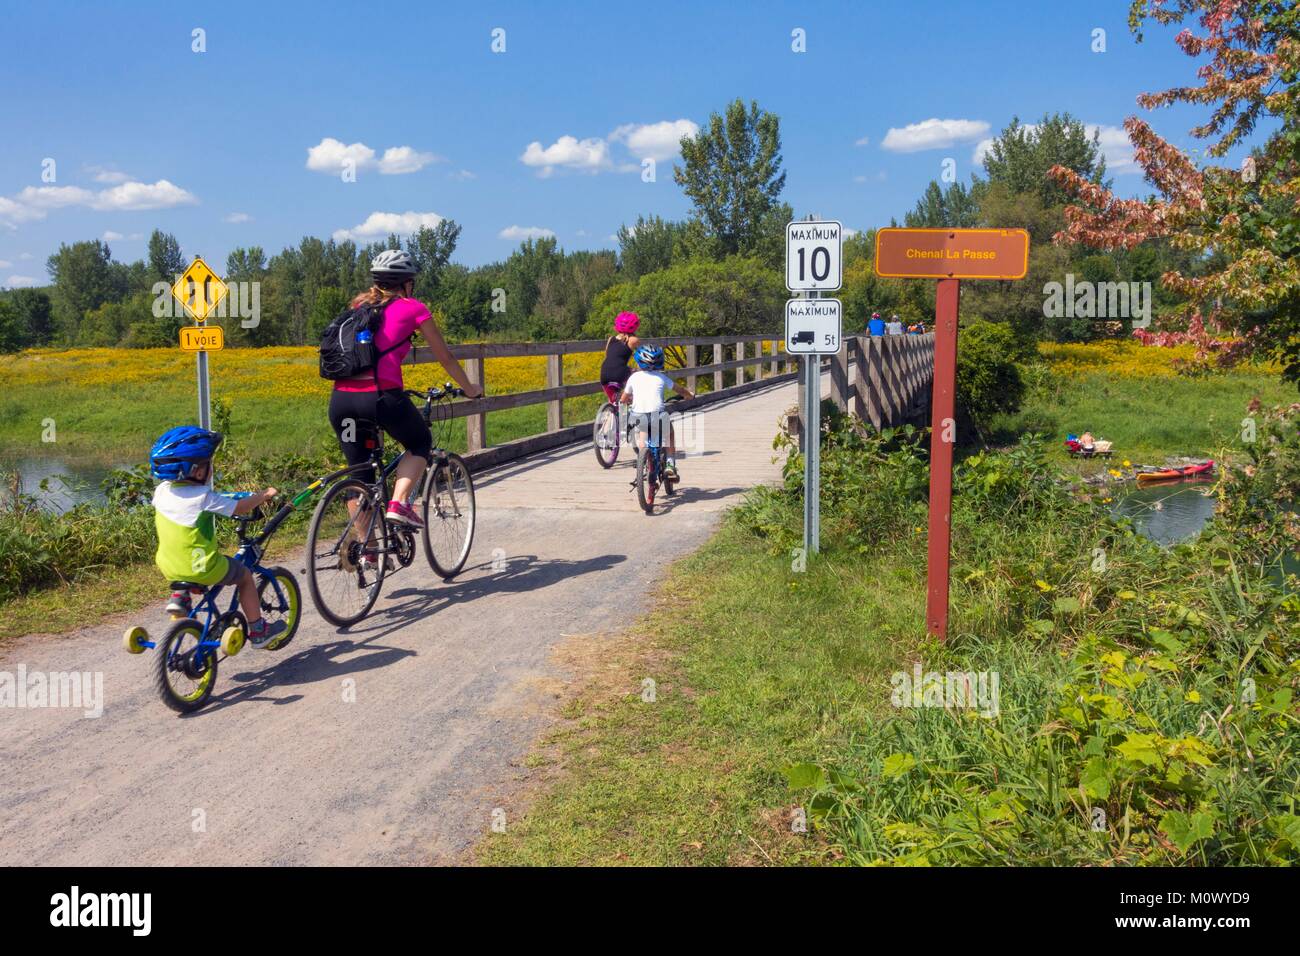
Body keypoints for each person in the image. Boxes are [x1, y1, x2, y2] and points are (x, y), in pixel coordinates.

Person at [328, 249, 482, 529]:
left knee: (360, 474)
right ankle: (398, 504)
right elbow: (444, 357)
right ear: (406, 282)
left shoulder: (358, 307)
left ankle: (367, 553)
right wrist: (470, 388)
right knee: (419, 442)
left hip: (341, 402)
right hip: (379, 398)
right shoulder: (414, 308)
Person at [150, 426, 285, 647]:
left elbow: (186, 502)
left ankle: (180, 598)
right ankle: (259, 631)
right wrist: (263, 495)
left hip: (168, 566)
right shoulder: (203, 497)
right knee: (244, 577)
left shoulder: (162, 491)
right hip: (202, 567)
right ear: (198, 471)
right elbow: (240, 507)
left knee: (185, 561)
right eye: (208, 463)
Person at [620, 344, 693, 481]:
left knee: (643, 434)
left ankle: (643, 459)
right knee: (669, 433)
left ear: (638, 361)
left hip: (638, 415)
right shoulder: (661, 377)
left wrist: (626, 401)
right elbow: (680, 390)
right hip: (657, 415)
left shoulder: (633, 378)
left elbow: (624, 398)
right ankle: (670, 464)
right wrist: (689, 395)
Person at [599, 311, 641, 400]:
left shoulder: (611, 339)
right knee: (639, 377)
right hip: (620, 372)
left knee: (613, 401)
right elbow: (642, 358)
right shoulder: (633, 340)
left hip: (604, 373)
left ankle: (611, 410)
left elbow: (609, 355)